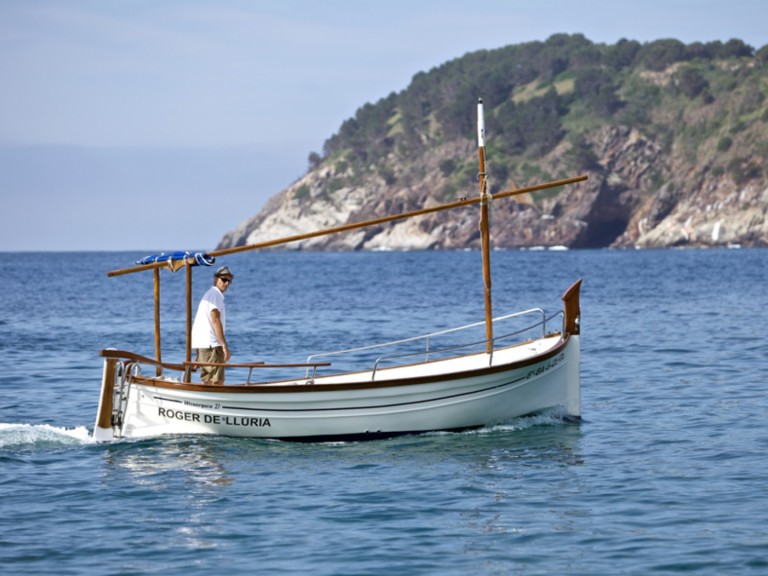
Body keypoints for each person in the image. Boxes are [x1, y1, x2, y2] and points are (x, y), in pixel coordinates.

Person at [191, 266, 234, 384]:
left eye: (229, 281)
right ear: (215, 279)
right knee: (217, 382)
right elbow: (215, 320)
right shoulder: (215, 295)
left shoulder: (209, 294)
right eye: (224, 280)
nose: (226, 284)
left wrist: (197, 355)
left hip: (203, 345)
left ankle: (203, 402)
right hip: (212, 346)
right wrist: (224, 346)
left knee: (207, 381)